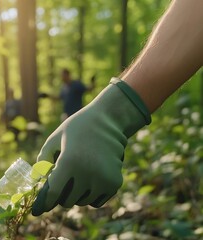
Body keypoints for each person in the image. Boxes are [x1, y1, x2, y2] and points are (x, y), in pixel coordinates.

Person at [32, 0, 203, 216]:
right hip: (71, 120)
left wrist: (109, 111)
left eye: (64, 74)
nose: (62, 77)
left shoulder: (75, 85)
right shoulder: (64, 89)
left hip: (80, 115)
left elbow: (87, 89)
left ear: (68, 74)